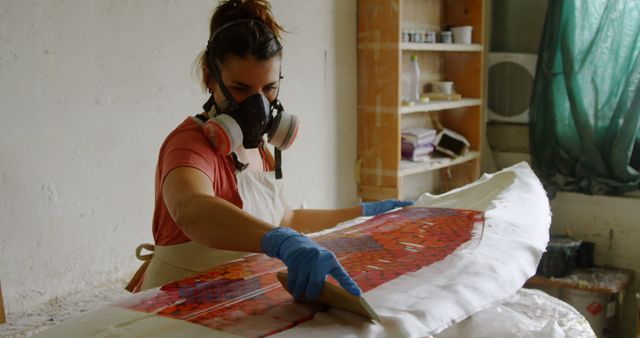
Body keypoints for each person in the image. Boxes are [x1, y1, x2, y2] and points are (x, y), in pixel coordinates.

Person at [126, 0, 413, 301]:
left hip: (234, 294)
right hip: (176, 302)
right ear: (211, 78)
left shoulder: (260, 149)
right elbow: (191, 208)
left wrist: (363, 213)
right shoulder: (189, 143)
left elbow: (284, 221)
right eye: (241, 89)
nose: (258, 106)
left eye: (268, 89)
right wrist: (281, 241)